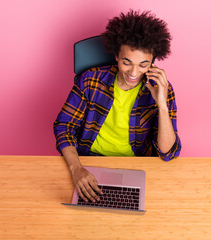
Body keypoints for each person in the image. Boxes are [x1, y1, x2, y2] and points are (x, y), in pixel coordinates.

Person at [53, 10, 181, 203]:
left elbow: (167, 152)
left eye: (143, 65)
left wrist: (161, 104)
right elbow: (64, 126)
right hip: (89, 161)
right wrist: (77, 168)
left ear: (153, 62)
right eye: (127, 62)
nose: (134, 72)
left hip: (136, 166)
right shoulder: (90, 80)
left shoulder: (161, 88)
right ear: (116, 56)